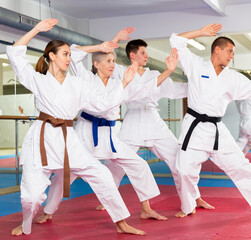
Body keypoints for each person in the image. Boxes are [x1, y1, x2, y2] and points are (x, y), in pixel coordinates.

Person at [7, 19, 144, 236]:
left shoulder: (78, 84)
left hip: (68, 140)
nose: (69, 59)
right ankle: (26, 222)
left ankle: (121, 221)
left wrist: (124, 83)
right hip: (42, 140)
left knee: (102, 175)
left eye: (70, 55)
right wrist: (35, 29)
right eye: (65, 54)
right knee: (30, 197)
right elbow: (15, 55)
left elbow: (102, 104)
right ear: (52, 56)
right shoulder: (37, 80)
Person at [36, 27, 177, 223]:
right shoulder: (84, 78)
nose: (113, 65)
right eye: (109, 61)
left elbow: (144, 91)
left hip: (109, 136)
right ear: (96, 64)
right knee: (65, 175)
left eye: (113, 61)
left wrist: (168, 71)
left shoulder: (118, 83)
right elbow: (75, 52)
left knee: (139, 165)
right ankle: (48, 210)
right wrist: (104, 44)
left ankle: (145, 208)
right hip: (86, 134)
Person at [169, 23, 251, 218]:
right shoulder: (195, 65)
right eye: (229, 51)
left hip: (216, 130)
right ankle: (189, 206)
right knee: (183, 169)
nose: (232, 56)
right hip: (194, 128)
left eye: (233, 53)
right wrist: (201, 33)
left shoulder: (233, 78)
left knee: (241, 166)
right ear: (217, 50)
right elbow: (176, 42)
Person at [105, 37, 214, 211]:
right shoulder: (120, 71)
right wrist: (114, 40)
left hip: (153, 121)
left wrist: (199, 85)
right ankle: (106, 198)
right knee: (115, 163)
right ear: (132, 55)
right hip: (132, 121)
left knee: (178, 161)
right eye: (143, 52)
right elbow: (105, 64)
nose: (146, 55)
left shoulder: (154, 75)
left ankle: (194, 197)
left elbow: (173, 90)